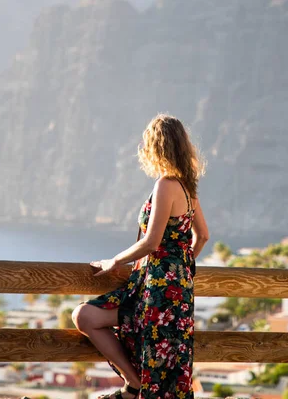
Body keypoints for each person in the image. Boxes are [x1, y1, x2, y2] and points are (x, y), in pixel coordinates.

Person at [72, 114, 209, 399]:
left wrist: (115, 261)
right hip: (172, 286)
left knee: (85, 316)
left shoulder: (166, 184)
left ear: (156, 146)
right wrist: (181, 267)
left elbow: (151, 242)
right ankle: (135, 385)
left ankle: (135, 385)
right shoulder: (188, 187)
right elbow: (203, 236)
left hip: (156, 286)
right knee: (160, 353)